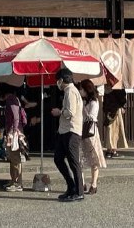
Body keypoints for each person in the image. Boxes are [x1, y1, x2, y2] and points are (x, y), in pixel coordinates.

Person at [51, 68, 84, 202]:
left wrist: (59, 112)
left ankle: (79, 191)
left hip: (72, 131)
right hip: (65, 131)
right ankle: (71, 187)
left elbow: (71, 112)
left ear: (62, 80)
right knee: (58, 158)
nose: (57, 83)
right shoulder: (69, 91)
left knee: (73, 162)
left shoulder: (70, 91)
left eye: (58, 80)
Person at [0, 83, 27, 192]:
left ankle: (17, 183)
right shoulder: (15, 99)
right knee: (14, 157)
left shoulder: (11, 100)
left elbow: (16, 117)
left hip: (14, 132)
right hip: (16, 131)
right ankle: (14, 181)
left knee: (15, 158)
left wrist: (12, 131)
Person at [78, 80, 106, 194]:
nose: (80, 91)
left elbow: (92, 117)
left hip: (91, 132)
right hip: (81, 131)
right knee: (81, 159)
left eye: (82, 89)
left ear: (86, 89)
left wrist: (83, 108)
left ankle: (94, 184)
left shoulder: (94, 102)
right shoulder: (83, 101)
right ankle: (82, 183)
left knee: (94, 158)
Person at [103, 88, 128, 158]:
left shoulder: (107, 87)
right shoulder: (117, 86)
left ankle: (109, 150)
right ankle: (113, 150)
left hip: (108, 109)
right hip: (116, 109)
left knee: (109, 129)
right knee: (115, 130)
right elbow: (122, 97)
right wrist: (124, 106)